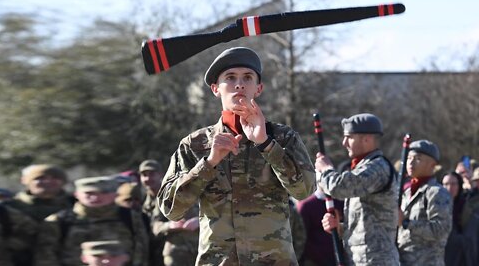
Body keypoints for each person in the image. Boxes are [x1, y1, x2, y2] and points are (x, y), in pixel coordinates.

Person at [157, 47, 316, 265]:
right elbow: (170, 209)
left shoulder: (283, 137)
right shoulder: (194, 144)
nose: (239, 84)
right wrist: (209, 162)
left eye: (247, 78)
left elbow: (304, 190)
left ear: (258, 88)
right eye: (230, 78)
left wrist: (266, 144)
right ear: (215, 89)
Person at [315, 113, 399, 265]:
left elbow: (338, 188)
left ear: (366, 139)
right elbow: (365, 226)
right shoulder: (361, 168)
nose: (344, 143)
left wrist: (326, 169)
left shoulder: (377, 168)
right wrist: (339, 228)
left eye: (349, 137)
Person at [34, 176, 149, 266]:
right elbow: (46, 257)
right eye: (89, 193)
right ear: (76, 194)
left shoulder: (133, 217)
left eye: (103, 192)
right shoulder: (58, 221)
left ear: (115, 194)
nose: (95, 197)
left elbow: (144, 250)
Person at [397, 140, 452, 266]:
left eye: (418, 159)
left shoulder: (436, 193)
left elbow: (441, 230)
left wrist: (406, 223)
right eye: (409, 157)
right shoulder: (405, 193)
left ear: (432, 164)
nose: (410, 162)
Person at [139, 159, 199, 266]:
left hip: (181, 252)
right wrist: (169, 226)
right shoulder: (143, 200)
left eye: (152, 174)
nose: (148, 178)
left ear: (160, 174)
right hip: (155, 253)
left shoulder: (172, 193)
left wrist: (197, 221)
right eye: (144, 175)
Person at [7, 164, 74, 222]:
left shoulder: (74, 204)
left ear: (64, 181)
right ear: (24, 180)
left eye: (55, 178)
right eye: (40, 178)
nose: (48, 181)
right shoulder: (9, 206)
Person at [296, 187, 344, 266]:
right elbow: (301, 239)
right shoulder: (306, 206)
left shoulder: (343, 201)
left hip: (342, 258)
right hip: (317, 261)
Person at [442, 171, 473, 266]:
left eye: (453, 184)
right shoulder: (437, 205)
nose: (449, 188)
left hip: (461, 256)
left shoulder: (466, 206)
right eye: (446, 184)